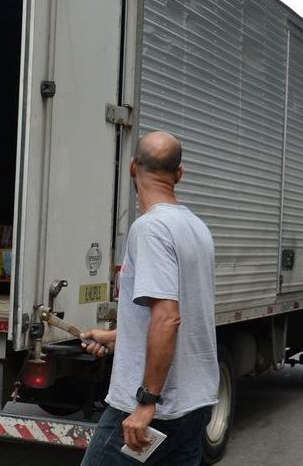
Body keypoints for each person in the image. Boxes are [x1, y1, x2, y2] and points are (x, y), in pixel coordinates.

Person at [79, 131, 218, 466]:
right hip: (194, 405)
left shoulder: (150, 229)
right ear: (179, 174)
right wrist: (118, 338)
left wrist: (146, 402)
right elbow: (180, 315)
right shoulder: (195, 227)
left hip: (156, 407)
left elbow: (167, 318)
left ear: (132, 167)